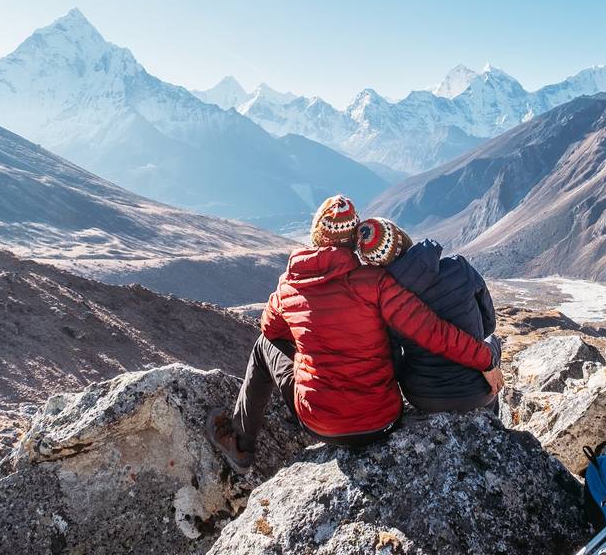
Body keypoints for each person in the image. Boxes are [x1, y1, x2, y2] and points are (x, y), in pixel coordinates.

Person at [208, 195, 503, 471]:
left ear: (316, 235)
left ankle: (241, 445)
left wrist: (313, 340)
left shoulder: (288, 286)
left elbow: (271, 330)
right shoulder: (376, 283)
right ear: (353, 240)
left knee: (263, 346)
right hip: (383, 421)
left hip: (319, 424)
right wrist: (485, 361)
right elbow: (433, 331)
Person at [354, 217, 500, 414]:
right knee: (493, 341)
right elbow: (489, 324)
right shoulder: (458, 267)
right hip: (474, 391)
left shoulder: (384, 302)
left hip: (422, 395)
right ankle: (492, 421)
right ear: (402, 238)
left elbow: (394, 358)